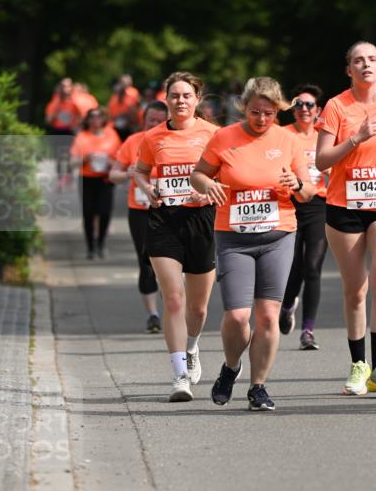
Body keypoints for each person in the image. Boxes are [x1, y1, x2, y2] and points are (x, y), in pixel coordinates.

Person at [190, 76, 315, 411]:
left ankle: (258, 386)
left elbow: (308, 192)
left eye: (270, 113)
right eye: (256, 112)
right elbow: (198, 174)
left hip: (278, 235)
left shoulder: (288, 141)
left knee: (268, 316)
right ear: (244, 108)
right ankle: (231, 367)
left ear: (278, 111)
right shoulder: (224, 137)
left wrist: (297, 182)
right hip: (234, 236)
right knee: (236, 316)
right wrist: (207, 186)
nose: (262, 119)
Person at [315, 41, 376, 396]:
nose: (366, 64)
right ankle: (359, 366)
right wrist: (356, 137)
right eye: (359, 60)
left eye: (372, 59)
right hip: (345, 205)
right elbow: (322, 161)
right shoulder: (337, 106)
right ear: (349, 70)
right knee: (356, 289)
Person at [134, 71, 217, 402]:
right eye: (174, 96)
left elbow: (228, 174)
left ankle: (193, 346)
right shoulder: (153, 137)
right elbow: (139, 171)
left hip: (201, 220)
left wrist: (209, 192)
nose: (180, 101)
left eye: (186, 95)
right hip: (163, 219)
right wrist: (146, 188)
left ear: (197, 99)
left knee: (198, 308)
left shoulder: (214, 134)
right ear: (166, 99)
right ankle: (179, 374)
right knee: (173, 298)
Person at [109, 100, 168, 333]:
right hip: (140, 210)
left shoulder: (173, 141)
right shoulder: (133, 141)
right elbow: (113, 174)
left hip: (169, 209)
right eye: (150, 120)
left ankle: (173, 308)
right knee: (146, 262)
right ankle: (153, 315)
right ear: (143, 120)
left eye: (159, 121)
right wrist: (127, 174)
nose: (154, 124)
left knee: (170, 263)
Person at [278, 84, 329, 350]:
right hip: (289, 204)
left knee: (313, 266)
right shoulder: (283, 135)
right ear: (293, 109)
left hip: (319, 204)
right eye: (299, 104)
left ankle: (308, 330)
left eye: (309, 105)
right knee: (294, 265)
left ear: (318, 110)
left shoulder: (325, 135)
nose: (304, 109)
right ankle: (287, 306)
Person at [70, 107, 122, 259]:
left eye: (98, 116)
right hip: (87, 178)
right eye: (92, 116)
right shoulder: (81, 137)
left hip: (105, 179)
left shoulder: (112, 135)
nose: (95, 119)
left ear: (104, 119)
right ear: (87, 119)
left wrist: (111, 163)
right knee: (88, 213)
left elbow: (121, 160)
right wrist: (86, 158)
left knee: (105, 212)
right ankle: (90, 247)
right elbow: (72, 163)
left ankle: (101, 243)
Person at [45, 77, 83, 185]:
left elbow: (81, 117)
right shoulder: (54, 103)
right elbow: (48, 120)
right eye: (64, 86)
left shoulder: (75, 102)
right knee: (58, 156)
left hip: (69, 131)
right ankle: (60, 178)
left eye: (68, 86)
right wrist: (56, 112)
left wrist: (75, 124)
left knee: (69, 155)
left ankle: (68, 176)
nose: (66, 89)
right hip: (57, 131)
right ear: (60, 88)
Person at [108, 74, 141, 141]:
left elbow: (135, 109)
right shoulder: (114, 97)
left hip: (130, 125)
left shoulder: (133, 93)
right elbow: (111, 114)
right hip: (117, 125)